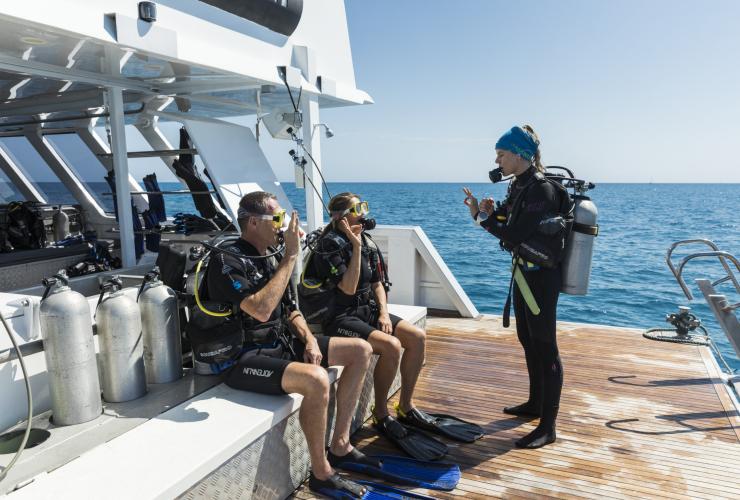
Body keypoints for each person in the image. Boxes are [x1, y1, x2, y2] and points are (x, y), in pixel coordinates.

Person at [191, 191, 373, 497]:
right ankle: (321, 472)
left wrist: (311, 339)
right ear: (251, 223)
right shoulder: (228, 259)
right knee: (316, 380)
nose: (282, 225)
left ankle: (340, 444)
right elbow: (260, 310)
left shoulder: (271, 255)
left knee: (361, 350)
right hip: (243, 359)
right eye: (276, 218)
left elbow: (291, 309)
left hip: (281, 345)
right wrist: (291, 256)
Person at [303, 193, 482, 461]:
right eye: (357, 208)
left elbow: (377, 283)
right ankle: (381, 412)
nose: (364, 212)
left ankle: (406, 406)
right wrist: (354, 245)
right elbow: (349, 289)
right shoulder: (331, 246)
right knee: (391, 346)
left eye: (365, 206)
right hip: (340, 317)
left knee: (417, 337)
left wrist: (384, 313)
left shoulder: (366, 240)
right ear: (340, 217)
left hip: (369, 311)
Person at [463, 125, 565, 449]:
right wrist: (490, 211)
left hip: (541, 277)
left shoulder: (541, 190)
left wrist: (482, 220)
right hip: (524, 272)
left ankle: (548, 426)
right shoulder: (519, 186)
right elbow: (508, 219)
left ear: (520, 155)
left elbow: (514, 234)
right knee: (527, 340)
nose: (498, 161)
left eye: (502, 154)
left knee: (546, 345)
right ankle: (535, 404)